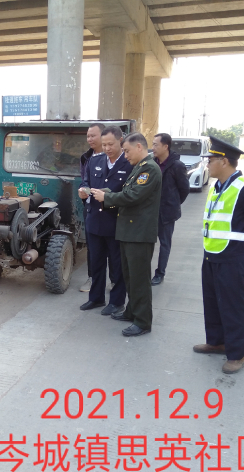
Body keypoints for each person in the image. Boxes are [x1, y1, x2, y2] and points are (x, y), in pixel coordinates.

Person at [194, 136, 244, 374]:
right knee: (212, 302)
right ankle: (217, 342)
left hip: (232, 258)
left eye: (211, 160)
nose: (207, 164)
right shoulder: (216, 187)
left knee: (232, 306)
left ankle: (237, 354)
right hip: (211, 255)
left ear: (224, 161)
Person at [91, 132, 161, 337]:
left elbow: (132, 196)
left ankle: (143, 321)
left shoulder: (149, 169)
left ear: (139, 147)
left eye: (128, 151)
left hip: (139, 234)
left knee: (140, 279)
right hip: (129, 232)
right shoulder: (139, 167)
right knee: (130, 277)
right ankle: (132, 311)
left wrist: (107, 197)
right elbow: (126, 191)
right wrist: (104, 193)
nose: (126, 155)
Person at [79, 126, 132, 316]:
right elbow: (86, 182)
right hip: (95, 220)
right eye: (104, 145)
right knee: (96, 262)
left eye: (111, 144)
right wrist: (83, 190)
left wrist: (108, 198)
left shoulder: (129, 163)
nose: (107, 148)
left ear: (120, 141)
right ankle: (96, 297)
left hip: (117, 222)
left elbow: (130, 194)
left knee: (117, 265)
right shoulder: (95, 160)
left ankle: (117, 302)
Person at [150, 133, 190, 285]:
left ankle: (160, 273)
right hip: (151, 211)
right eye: (152, 144)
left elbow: (184, 189)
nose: (153, 148)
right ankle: (144, 271)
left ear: (165, 146)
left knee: (164, 243)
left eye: (155, 145)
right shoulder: (152, 163)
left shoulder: (177, 165)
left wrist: (173, 203)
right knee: (148, 242)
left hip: (167, 213)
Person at [79, 123, 104, 293]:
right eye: (88, 136)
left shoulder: (114, 157)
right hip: (90, 207)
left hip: (110, 206)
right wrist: (83, 190)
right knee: (92, 245)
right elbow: (84, 180)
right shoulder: (86, 158)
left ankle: (114, 280)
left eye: (93, 135)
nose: (90, 139)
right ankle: (92, 278)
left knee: (112, 246)